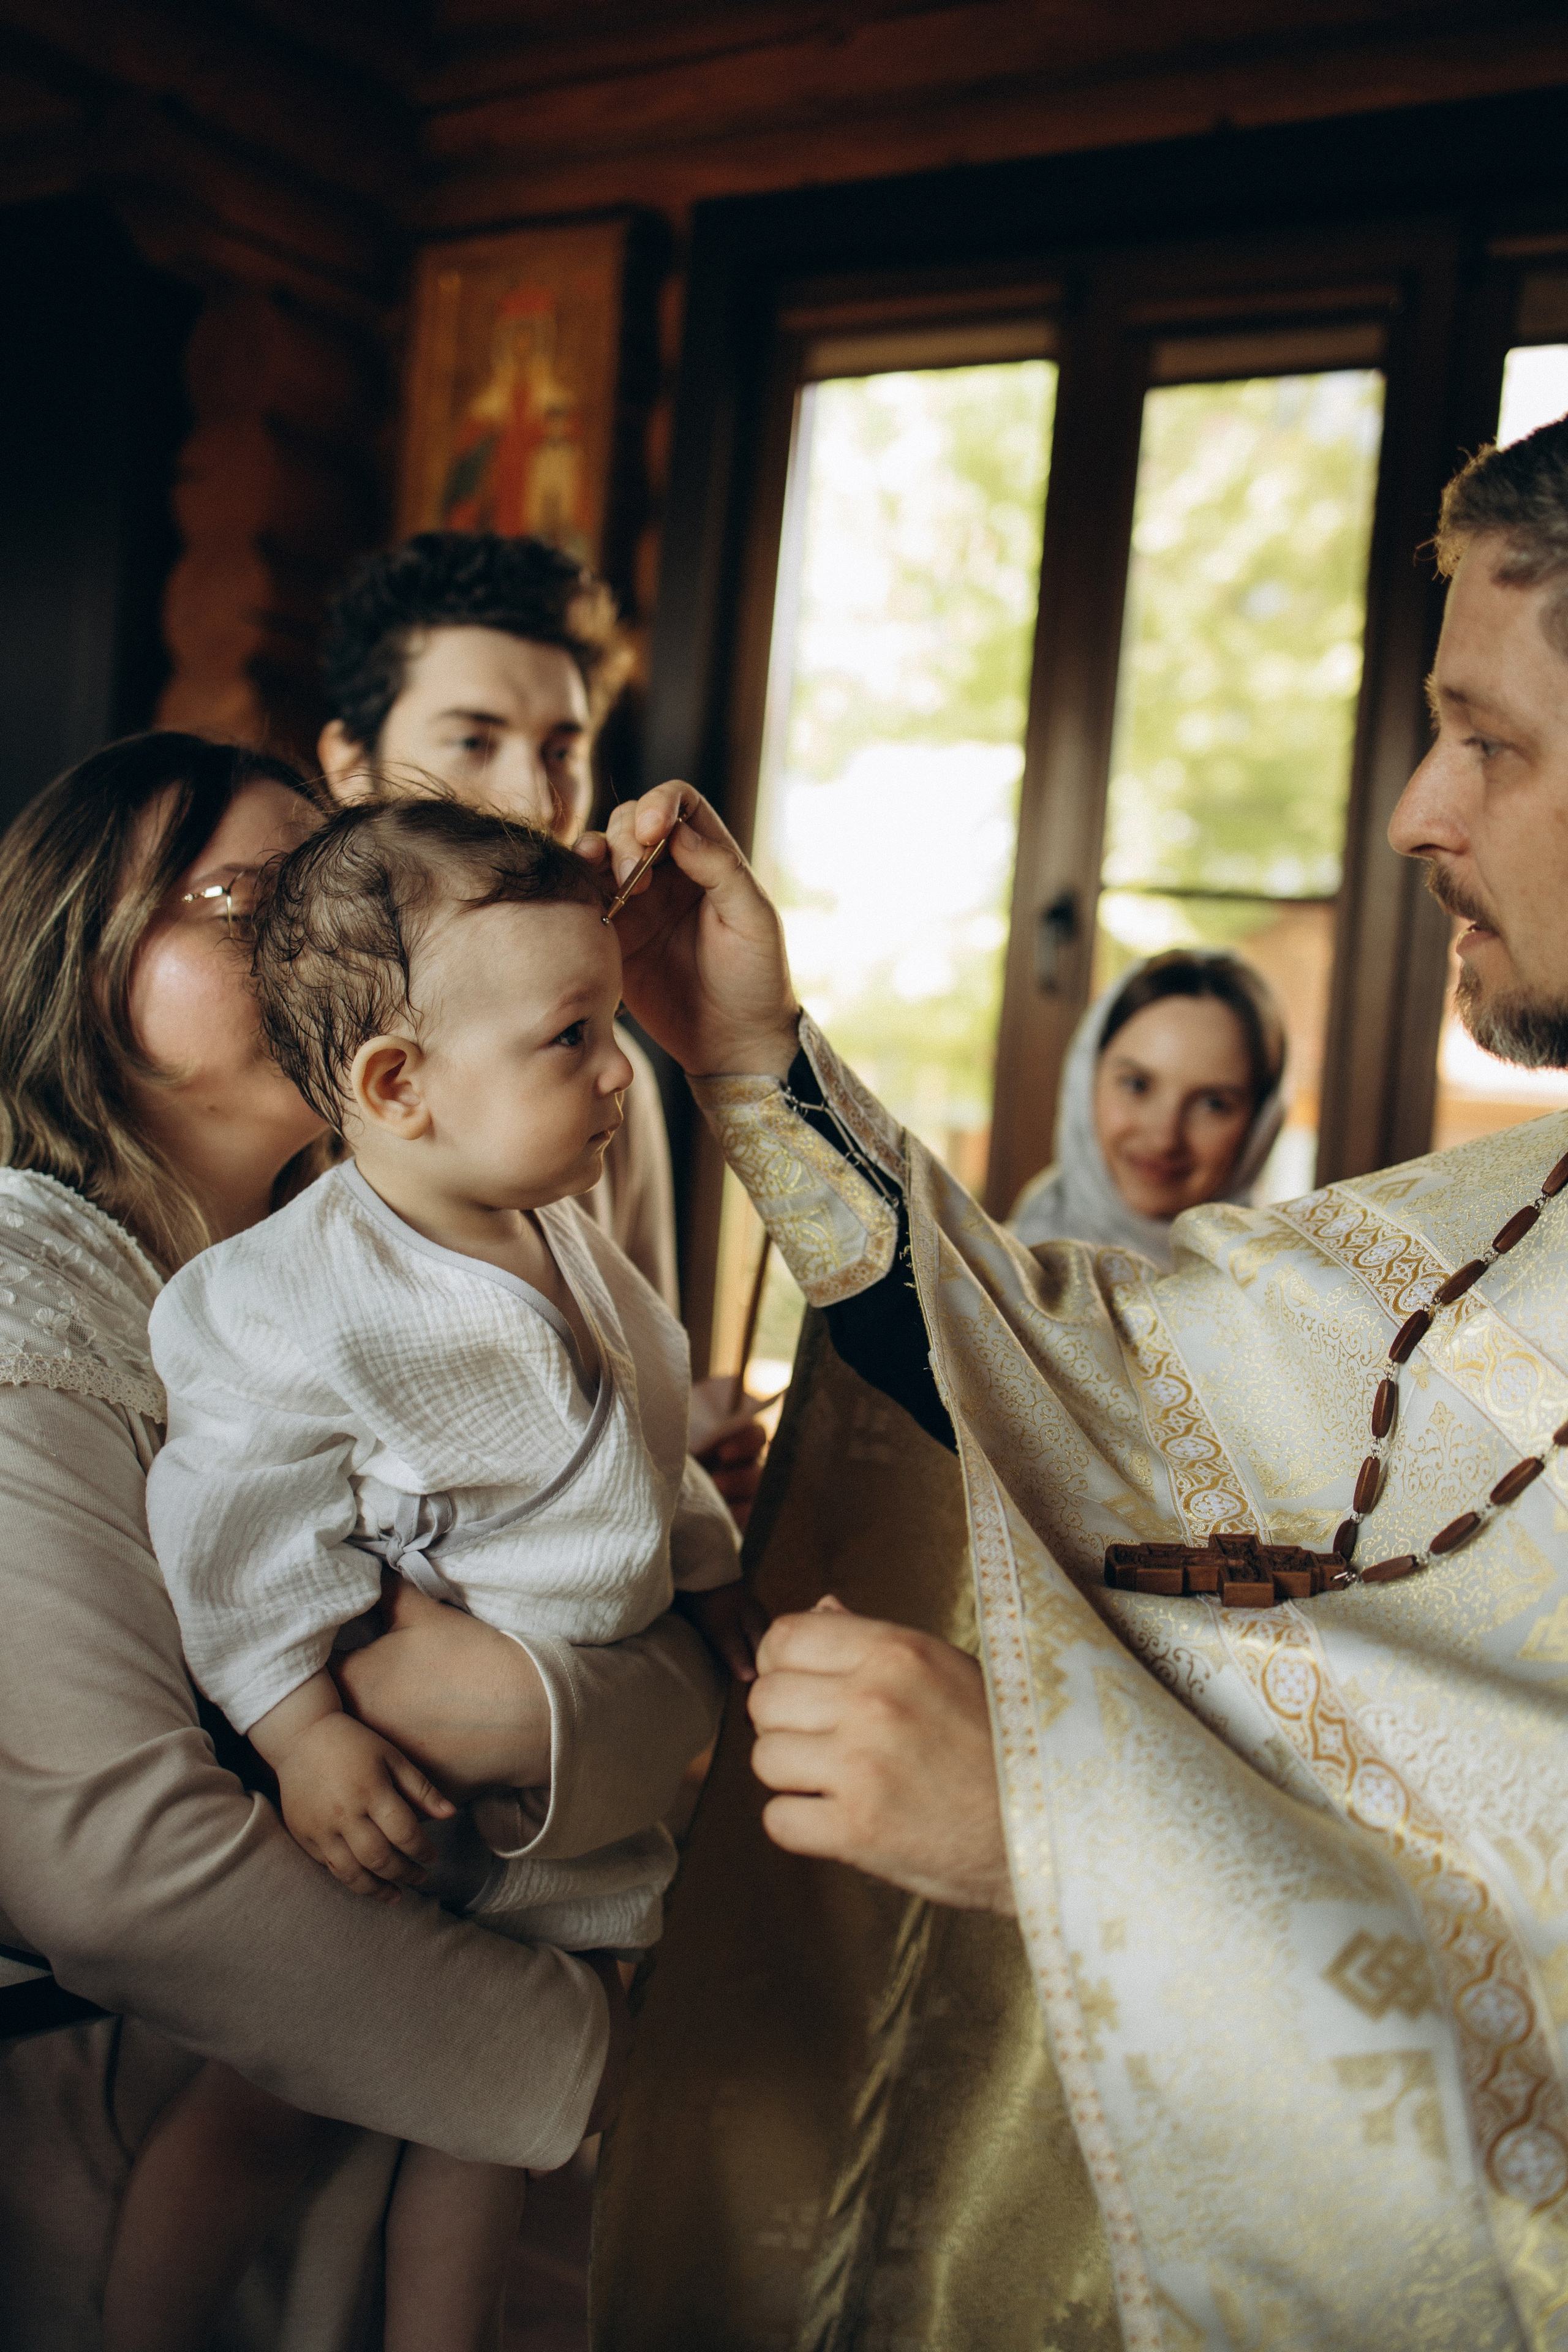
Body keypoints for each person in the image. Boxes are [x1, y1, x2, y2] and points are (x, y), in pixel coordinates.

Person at [587, 413, 1568, 2341]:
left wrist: (1062, 1826)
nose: (1413, 813)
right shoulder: (1507, 1219)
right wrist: (753, 1067)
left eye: (1495, 743)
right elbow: (1088, 1381)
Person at [0, 734, 722, 2351]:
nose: (309, 943)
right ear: (82, 955)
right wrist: (586, 2051)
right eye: (246, 903)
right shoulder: (22, 1286)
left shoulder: (404, 1252)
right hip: (148, 2086)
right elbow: (110, 1864)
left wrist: (559, 1707)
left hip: (429, 1958)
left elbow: (625, 1602)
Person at [315, 530, 766, 1509]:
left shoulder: (609, 1074)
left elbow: (638, 1373)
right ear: (350, 764)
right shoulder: (284, 1054)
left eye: (563, 749)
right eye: (472, 741)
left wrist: (686, 1449)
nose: (533, 796)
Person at [1009, 948, 1286, 1270]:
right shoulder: (985, 1278)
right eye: (1137, 1085)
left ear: (1259, 1126)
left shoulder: (1290, 1293)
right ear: (1086, 1081)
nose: (1164, 1139)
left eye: (1214, 1104)